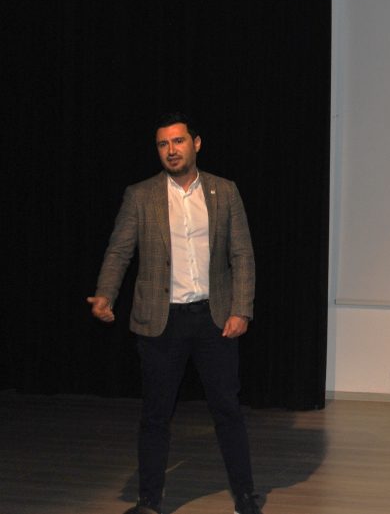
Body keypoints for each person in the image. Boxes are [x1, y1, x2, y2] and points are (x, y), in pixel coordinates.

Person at [86, 113, 261, 514]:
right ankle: (149, 501)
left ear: (195, 144)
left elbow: (242, 255)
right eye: (163, 144)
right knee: (155, 415)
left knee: (227, 411)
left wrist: (241, 309)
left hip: (214, 319)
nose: (171, 150)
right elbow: (119, 250)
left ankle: (245, 497)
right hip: (160, 321)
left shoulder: (224, 191)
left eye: (178, 141)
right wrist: (105, 294)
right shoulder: (140, 195)